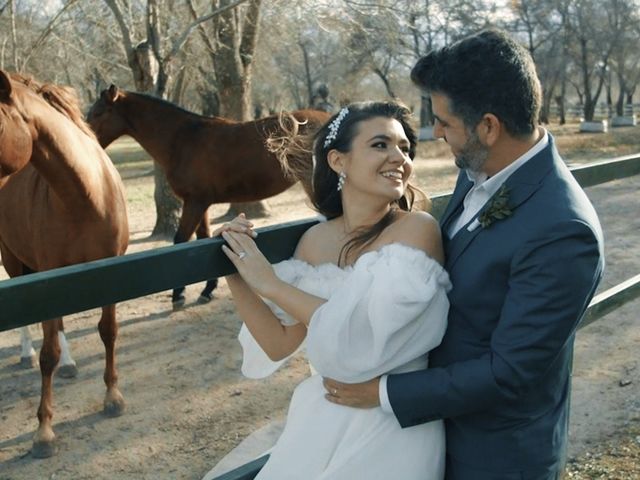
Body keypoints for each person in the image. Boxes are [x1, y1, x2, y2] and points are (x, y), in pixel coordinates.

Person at [322, 29, 605, 479]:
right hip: (429, 434)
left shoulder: (563, 230)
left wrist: (383, 393)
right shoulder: (478, 169)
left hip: (493, 454)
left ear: (488, 127)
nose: (437, 133)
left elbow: (510, 371)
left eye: (446, 123)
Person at [213, 101, 451, 479]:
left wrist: (272, 285)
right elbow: (279, 343)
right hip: (322, 415)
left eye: (405, 148)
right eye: (380, 145)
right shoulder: (314, 240)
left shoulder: (416, 229)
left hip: (390, 426)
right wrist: (237, 268)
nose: (399, 158)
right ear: (338, 161)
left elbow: (364, 339)